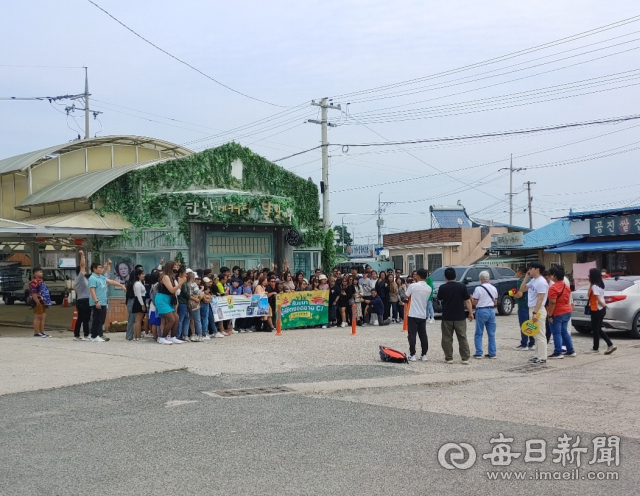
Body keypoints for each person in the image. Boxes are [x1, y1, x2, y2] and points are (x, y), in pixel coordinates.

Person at [437, 267, 473, 365]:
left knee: (446, 338)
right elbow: (467, 301)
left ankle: (449, 358)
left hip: (447, 315)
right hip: (460, 315)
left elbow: (439, 298)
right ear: (455, 275)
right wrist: (470, 313)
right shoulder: (462, 286)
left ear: (445, 277)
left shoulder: (442, 287)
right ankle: (465, 358)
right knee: (462, 337)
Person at [519, 262, 549, 364]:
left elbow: (540, 299)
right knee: (535, 333)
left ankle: (542, 357)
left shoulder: (541, 282)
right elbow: (522, 289)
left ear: (537, 269)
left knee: (540, 334)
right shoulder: (533, 280)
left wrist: (535, 312)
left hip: (538, 309)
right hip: (532, 308)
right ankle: (537, 355)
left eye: (531, 268)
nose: (529, 270)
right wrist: (526, 278)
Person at [89, 261, 126, 342]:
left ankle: (99, 334)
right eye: (99, 268)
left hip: (103, 302)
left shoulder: (101, 277)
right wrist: (96, 301)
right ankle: (94, 336)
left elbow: (111, 281)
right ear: (94, 269)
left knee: (101, 319)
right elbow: (92, 290)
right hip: (97, 302)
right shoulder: (93, 278)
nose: (101, 269)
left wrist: (121, 285)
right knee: (96, 319)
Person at [547, 267, 576, 359]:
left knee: (556, 332)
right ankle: (570, 350)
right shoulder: (566, 287)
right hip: (567, 311)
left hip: (557, 312)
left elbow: (552, 302)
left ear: (554, 277)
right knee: (564, 332)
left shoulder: (553, 288)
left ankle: (558, 352)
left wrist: (550, 314)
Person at [155, 261, 186, 344]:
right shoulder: (165, 277)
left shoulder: (171, 276)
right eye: (175, 266)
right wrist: (181, 283)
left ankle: (173, 337)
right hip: (162, 299)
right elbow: (172, 290)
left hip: (168, 299)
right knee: (171, 319)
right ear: (171, 267)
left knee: (176, 318)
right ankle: (162, 337)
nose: (177, 267)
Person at [587, 268, 616, 355]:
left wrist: (604, 305)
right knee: (597, 328)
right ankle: (602, 346)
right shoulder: (600, 284)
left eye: (589, 275)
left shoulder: (595, 286)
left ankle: (603, 346)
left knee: (596, 329)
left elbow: (597, 298)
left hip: (596, 309)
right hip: (601, 309)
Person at [405, 268, 431, 362]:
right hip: (422, 314)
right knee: (423, 335)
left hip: (413, 313)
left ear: (418, 276)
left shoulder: (413, 286)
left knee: (412, 335)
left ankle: (412, 354)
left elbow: (406, 295)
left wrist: (408, 285)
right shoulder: (429, 288)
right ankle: (424, 354)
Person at [472, 271, 499, 359]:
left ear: (481, 279)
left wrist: (471, 298)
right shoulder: (494, 288)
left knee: (479, 333)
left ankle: (479, 352)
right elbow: (495, 302)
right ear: (488, 278)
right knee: (491, 333)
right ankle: (492, 353)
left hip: (481, 310)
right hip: (491, 310)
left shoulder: (478, 289)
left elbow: (475, 302)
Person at [514, 266, 535, 351]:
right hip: (530, 304)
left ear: (520, 272)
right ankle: (532, 343)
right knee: (530, 324)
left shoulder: (520, 281)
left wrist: (513, 295)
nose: (516, 273)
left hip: (523, 305)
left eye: (517, 271)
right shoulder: (531, 280)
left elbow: (520, 294)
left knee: (523, 324)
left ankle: (524, 343)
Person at [73, 250, 91, 341]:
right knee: (85, 319)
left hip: (81, 300)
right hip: (84, 300)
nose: (85, 270)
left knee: (80, 318)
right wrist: (82, 254)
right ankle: (86, 335)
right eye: (84, 270)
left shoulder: (82, 279)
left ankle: (76, 335)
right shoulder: (80, 278)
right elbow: (82, 265)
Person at [29, 267, 52, 338]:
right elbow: (33, 293)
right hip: (38, 301)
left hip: (44, 302)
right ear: (35, 273)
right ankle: (37, 332)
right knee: (38, 317)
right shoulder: (34, 282)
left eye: (41, 272)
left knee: (43, 317)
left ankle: (42, 332)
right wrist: (37, 302)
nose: (41, 273)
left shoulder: (41, 281)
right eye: (39, 272)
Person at [131, 268, 146, 341]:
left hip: (140, 301)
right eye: (142, 274)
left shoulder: (140, 283)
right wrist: (142, 304)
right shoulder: (137, 284)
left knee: (138, 320)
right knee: (138, 320)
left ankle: (136, 336)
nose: (144, 275)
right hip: (139, 301)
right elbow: (139, 295)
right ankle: (138, 336)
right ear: (138, 275)